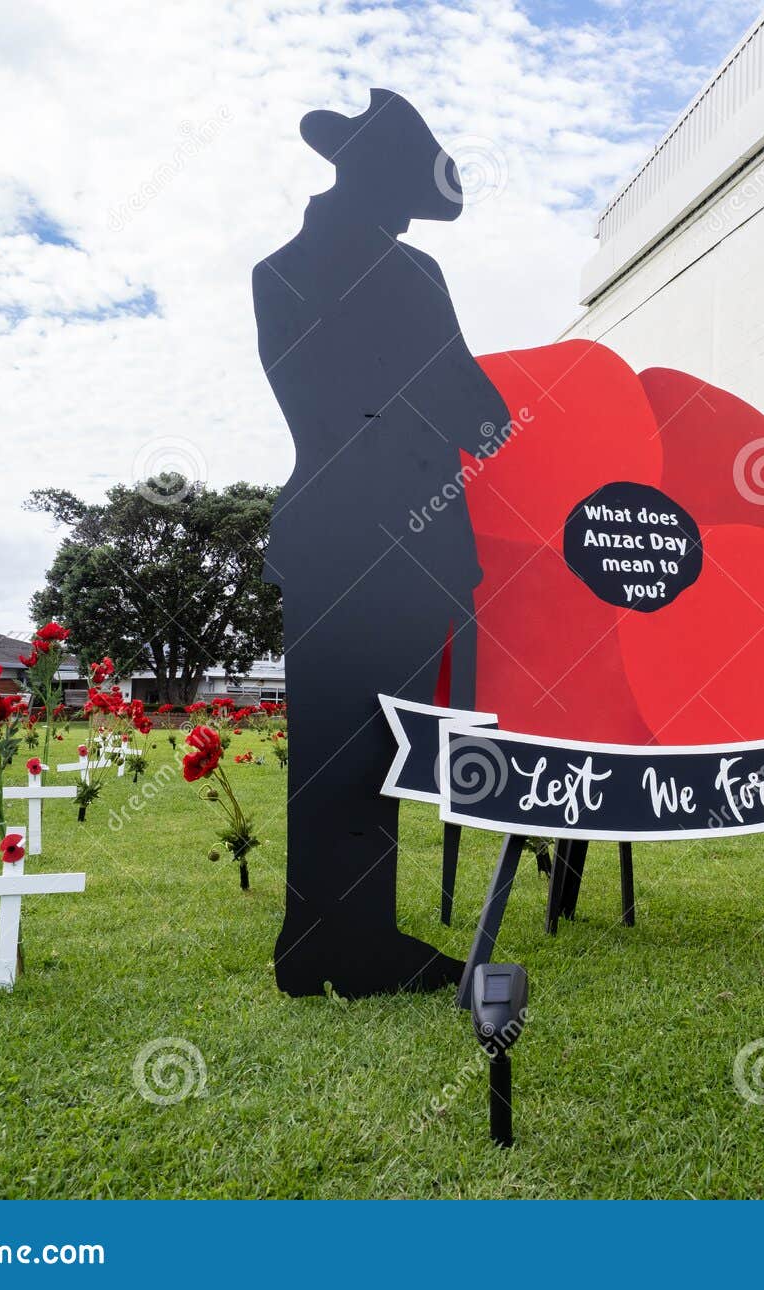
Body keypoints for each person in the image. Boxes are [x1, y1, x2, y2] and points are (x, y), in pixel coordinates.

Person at [252, 89, 507, 997]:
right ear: (374, 180)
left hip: (326, 529)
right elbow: (477, 413)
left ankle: (328, 940)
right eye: (403, 188)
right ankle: (345, 945)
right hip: (403, 537)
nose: (410, 211)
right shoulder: (412, 277)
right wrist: (471, 419)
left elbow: (333, 407)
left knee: (339, 743)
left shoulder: (275, 270)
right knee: (374, 746)